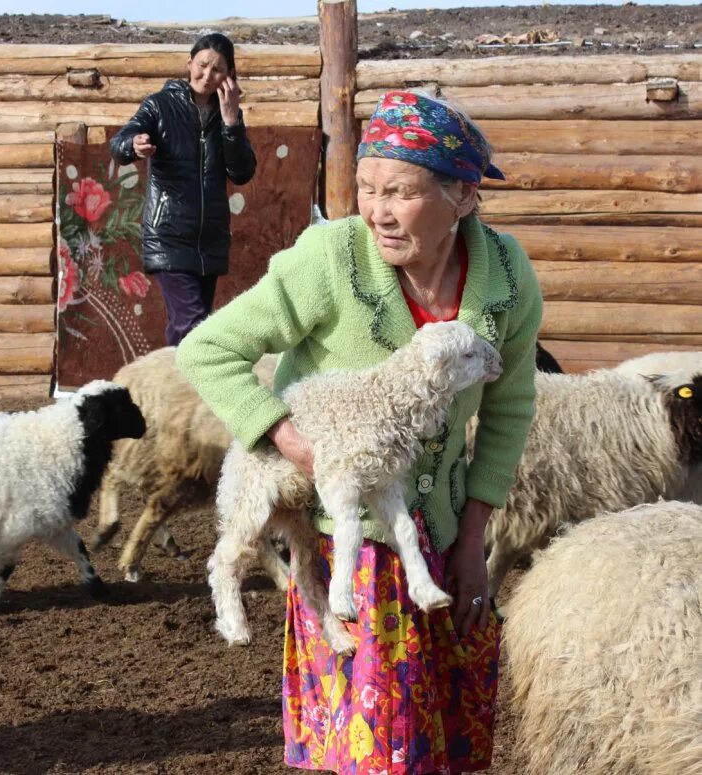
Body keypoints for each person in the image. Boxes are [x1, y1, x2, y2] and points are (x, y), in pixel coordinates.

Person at [177, 90, 542, 774]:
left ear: (461, 197)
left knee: (446, 750)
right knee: (374, 750)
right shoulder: (332, 259)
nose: (377, 210)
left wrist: (472, 540)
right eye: (368, 189)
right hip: (355, 549)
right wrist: (293, 443)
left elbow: (509, 407)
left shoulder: (507, 279)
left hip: (440, 535)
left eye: (400, 192)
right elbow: (207, 350)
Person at [110, 32, 257, 346]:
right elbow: (119, 143)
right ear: (189, 63)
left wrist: (231, 122)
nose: (207, 75)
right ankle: (182, 389)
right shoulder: (160, 106)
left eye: (217, 69)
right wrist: (134, 145)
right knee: (190, 326)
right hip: (169, 235)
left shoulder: (227, 114)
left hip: (210, 239)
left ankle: (175, 388)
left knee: (194, 329)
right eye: (202, 65)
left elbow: (242, 172)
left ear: (229, 74)